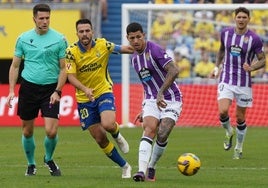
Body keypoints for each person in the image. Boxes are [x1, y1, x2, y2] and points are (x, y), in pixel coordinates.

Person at [65, 18, 133, 178]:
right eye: (81, 31)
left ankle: (117, 135)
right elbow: (70, 77)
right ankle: (125, 166)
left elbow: (123, 48)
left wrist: (142, 48)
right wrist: (85, 89)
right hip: (84, 99)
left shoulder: (103, 45)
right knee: (100, 138)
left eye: (87, 31)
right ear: (77, 34)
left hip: (103, 91)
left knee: (108, 124)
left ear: (92, 31)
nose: (85, 34)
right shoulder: (70, 52)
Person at [6, 3, 68, 176]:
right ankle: (31, 164)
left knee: (51, 130)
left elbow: (64, 68)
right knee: (27, 131)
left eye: (47, 18)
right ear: (34, 19)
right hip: (28, 88)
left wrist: (58, 90)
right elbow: (15, 66)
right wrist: (11, 90)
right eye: (41, 18)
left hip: (50, 89)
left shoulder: (60, 39)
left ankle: (48, 159)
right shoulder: (23, 38)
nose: (45, 21)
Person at [126, 22, 183, 182]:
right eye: (132, 38)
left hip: (171, 98)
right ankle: (141, 171)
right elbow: (146, 84)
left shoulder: (155, 50)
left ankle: (152, 165)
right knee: (149, 129)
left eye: (138, 37)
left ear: (143, 35)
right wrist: (145, 107)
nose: (136, 40)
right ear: (128, 39)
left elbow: (174, 70)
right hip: (151, 99)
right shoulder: (134, 59)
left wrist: (161, 93)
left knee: (163, 133)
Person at [210, 7, 266, 159]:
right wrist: (216, 67)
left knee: (240, 118)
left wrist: (252, 67)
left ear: (249, 19)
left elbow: (263, 60)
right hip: (226, 78)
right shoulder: (226, 33)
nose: (241, 20)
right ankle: (229, 131)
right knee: (222, 111)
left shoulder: (254, 39)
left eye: (244, 17)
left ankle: (239, 148)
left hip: (244, 82)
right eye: (239, 17)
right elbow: (221, 50)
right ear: (235, 18)